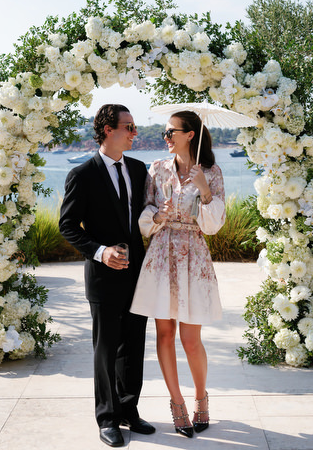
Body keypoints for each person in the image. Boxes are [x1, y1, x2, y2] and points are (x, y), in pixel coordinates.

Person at [59, 104, 155, 448]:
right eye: (128, 127)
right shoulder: (82, 175)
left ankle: (129, 409)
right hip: (102, 277)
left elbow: (146, 215)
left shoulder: (140, 169)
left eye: (133, 127)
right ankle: (107, 417)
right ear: (107, 130)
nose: (134, 133)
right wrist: (101, 251)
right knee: (106, 348)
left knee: (134, 345)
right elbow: (68, 226)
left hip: (137, 273)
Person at [130, 110, 225, 438]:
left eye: (172, 132)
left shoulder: (210, 172)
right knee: (165, 335)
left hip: (194, 255)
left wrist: (205, 191)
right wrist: (158, 215)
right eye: (165, 133)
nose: (166, 137)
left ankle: (201, 399)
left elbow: (213, 227)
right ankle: (177, 403)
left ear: (191, 135)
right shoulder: (156, 170)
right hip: (161, 256)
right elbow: (144, 216)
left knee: (190, 338)